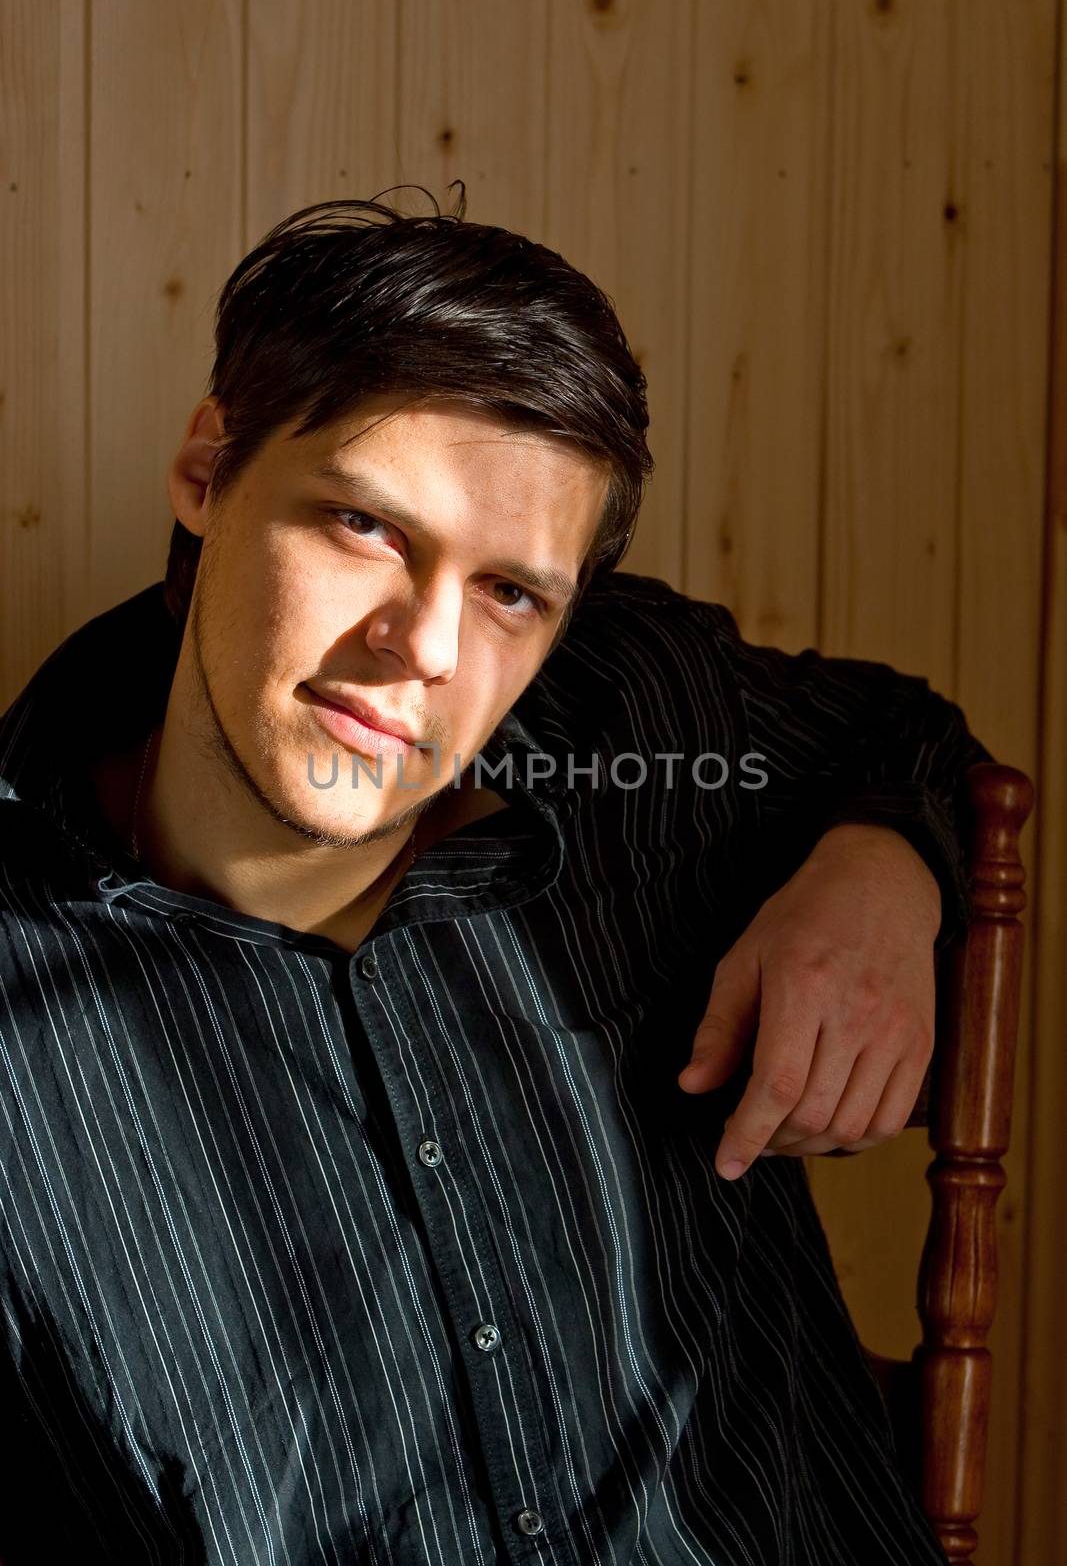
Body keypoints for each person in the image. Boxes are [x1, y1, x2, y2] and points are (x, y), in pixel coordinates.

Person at [0, 188, 991, 1565]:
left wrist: (881, 877)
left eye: (512, 594)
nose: (425, 647)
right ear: (207, 470)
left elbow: (902, 738)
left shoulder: (626, 722)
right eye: (363, 526)